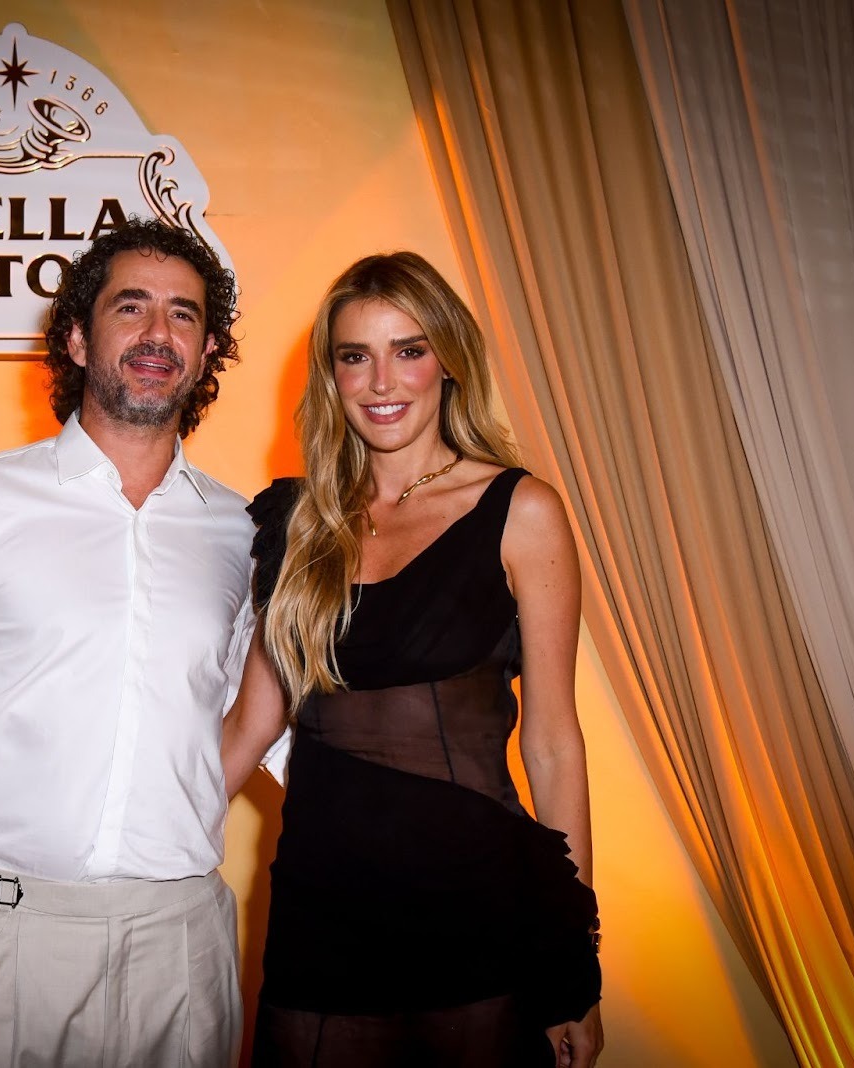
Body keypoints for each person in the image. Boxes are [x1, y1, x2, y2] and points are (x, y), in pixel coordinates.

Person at [0, 218, 254, 1067]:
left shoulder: (242, 530)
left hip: (181, 946)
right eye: (130, 307)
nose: (157, 333)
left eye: (183, 314)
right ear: (76, 337)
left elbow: (270, 722)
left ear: (208, 349)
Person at [222, 252, 604, 1067]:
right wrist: (115, 865)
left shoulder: (520, 510)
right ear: (332, 376)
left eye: (409, 349)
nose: (381, 381)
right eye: (355, 356)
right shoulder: (299, 522)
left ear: (448, 361)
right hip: (320, 909)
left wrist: (574, 956)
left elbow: (552, 743)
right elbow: (247, 730)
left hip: (477, 907)